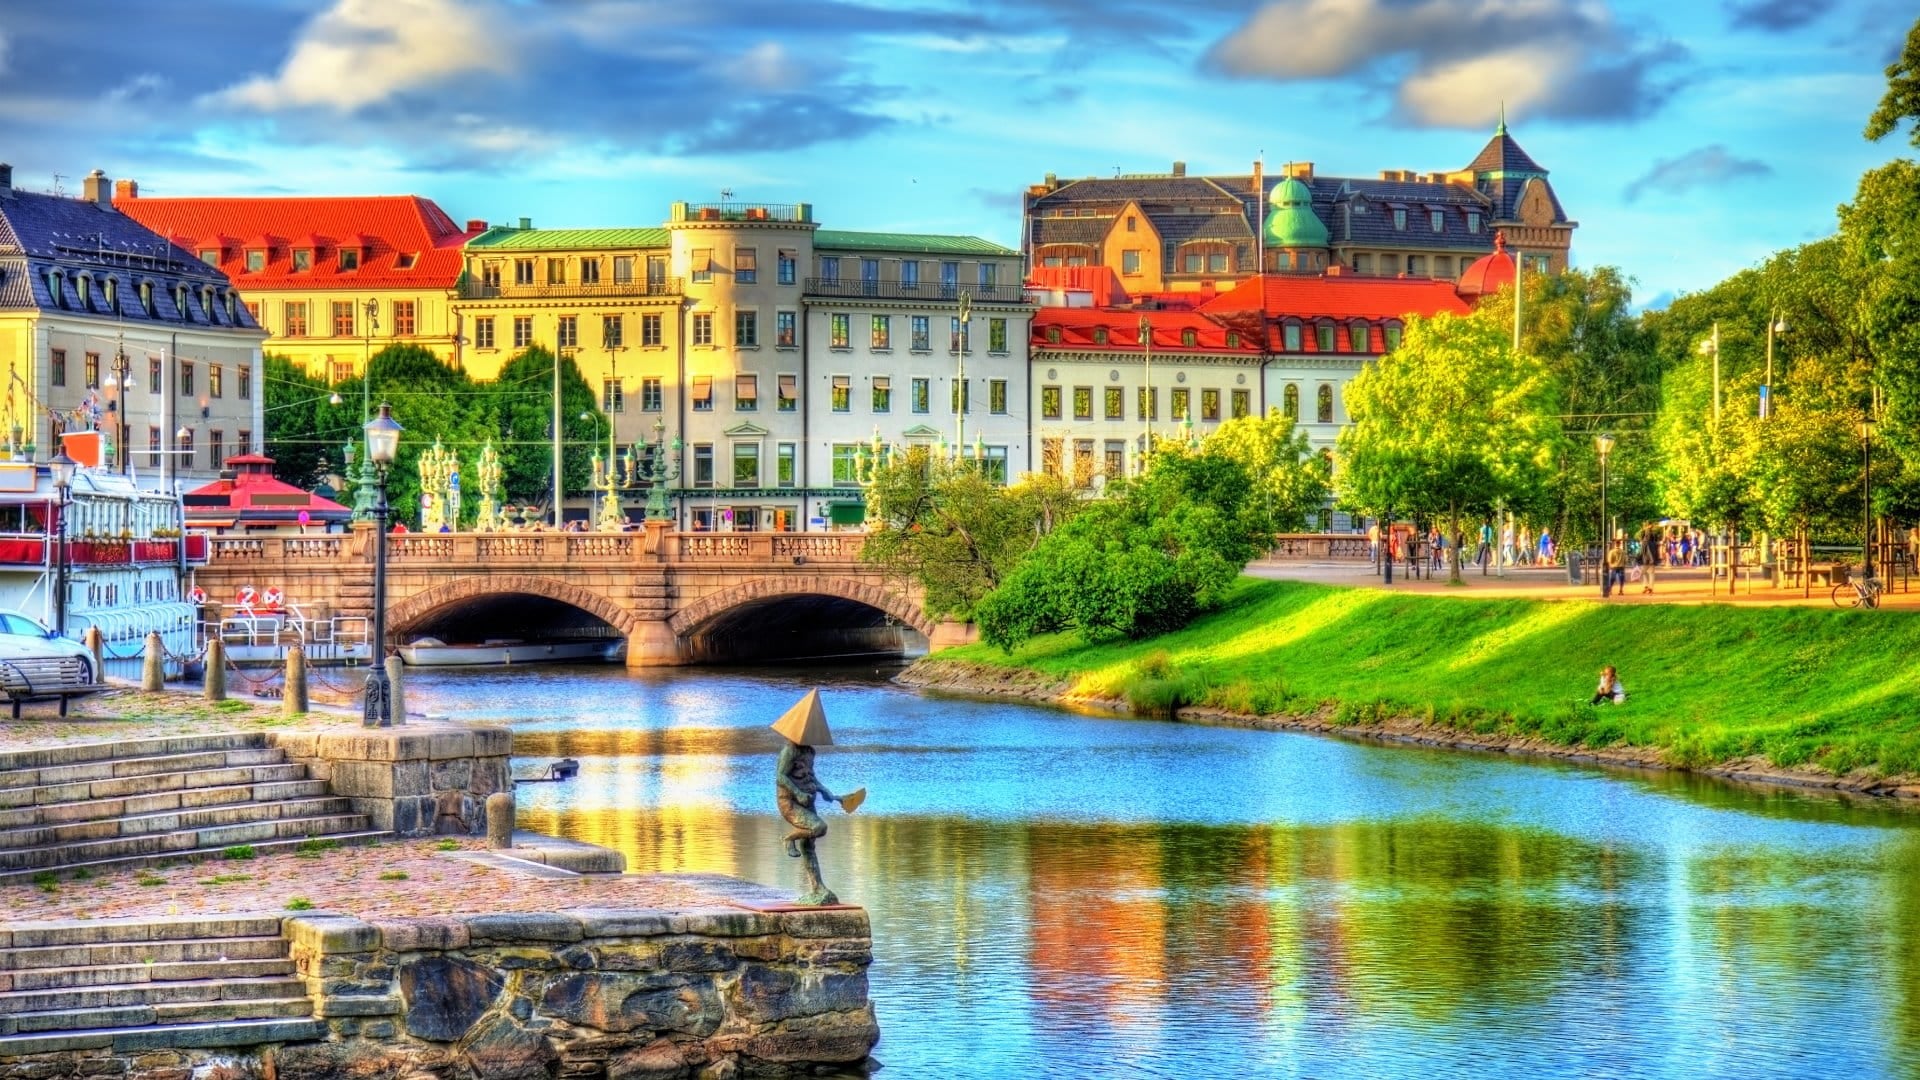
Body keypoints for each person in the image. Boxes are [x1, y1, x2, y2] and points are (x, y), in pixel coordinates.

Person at [1638, 522, 1661, 593]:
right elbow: (1657, 550)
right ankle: (1651, 588)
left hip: (1645, 560)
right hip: (1652, 559)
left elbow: (1641, 552)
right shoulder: (1654, 542)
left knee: (1642, 573)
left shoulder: (1644, 542)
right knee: (1652, 573)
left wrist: (1638, 558)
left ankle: (1646, 586)